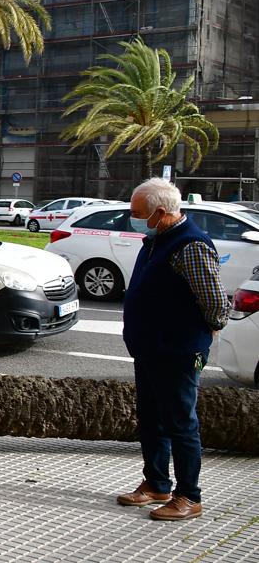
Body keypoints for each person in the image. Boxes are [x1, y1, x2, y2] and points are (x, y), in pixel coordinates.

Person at [117, 178, 228, 522]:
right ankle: (156, 483)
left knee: (180, 423)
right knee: (151, 419)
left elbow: (215, 303)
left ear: (161, 213)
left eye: (137, 214)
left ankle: (188, 496)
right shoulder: (156, 239)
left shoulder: (190, 245)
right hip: (150, 348)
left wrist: (208, 327)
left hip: (177, 350)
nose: (132, 219)